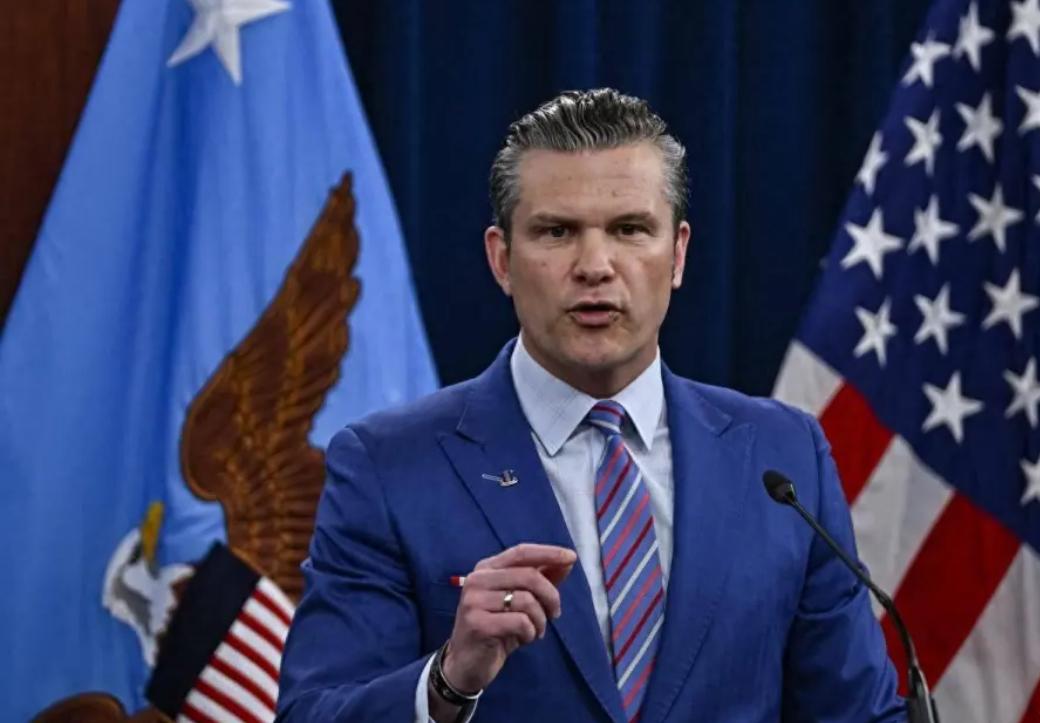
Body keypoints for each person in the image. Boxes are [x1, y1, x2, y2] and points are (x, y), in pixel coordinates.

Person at [278, 88, 905, 722]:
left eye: (630, 229)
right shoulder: (388, 467)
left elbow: (859, 713)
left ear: (678, 254)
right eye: (557, 232)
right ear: (502, 259)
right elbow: (313, 713)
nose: (595, 266)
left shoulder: (784, 456)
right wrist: (447, 681)